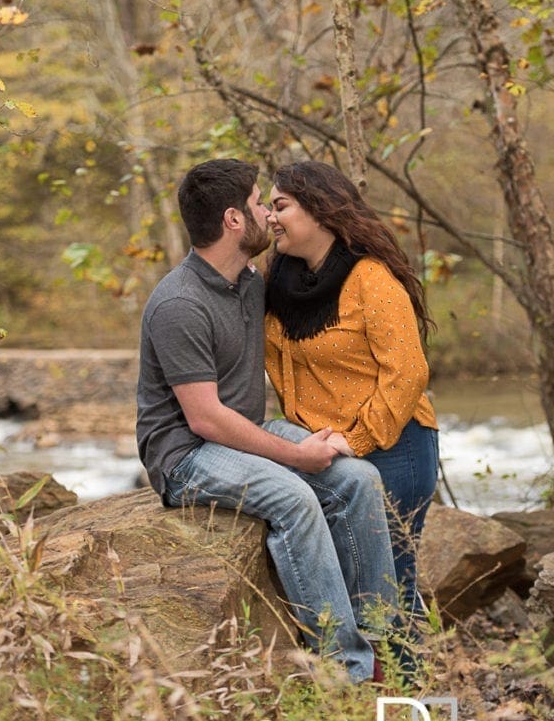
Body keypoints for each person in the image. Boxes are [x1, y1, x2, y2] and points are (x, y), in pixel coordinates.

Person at [136, 158, 398, 685]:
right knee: (294, 497)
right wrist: (297, 454)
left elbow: (320, 296)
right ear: (234, 220)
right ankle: (343, 671)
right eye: (261, 204)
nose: (269, 215)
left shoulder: (250, 283)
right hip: (186, 455)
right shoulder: (179, 303)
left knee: (360, 480)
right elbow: (205, 418)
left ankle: (382, 647)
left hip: (242, 436)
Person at [264, 160, 439, 630]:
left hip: (393, 446)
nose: (269, 216)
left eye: (280, 205)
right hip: (319, 450)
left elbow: (408, 371)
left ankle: (405, 693)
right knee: (342, 577)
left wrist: (354, 440)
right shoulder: (278, 283)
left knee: (388, 585)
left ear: (319, 211)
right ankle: (360, 689)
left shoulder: (370, 279)